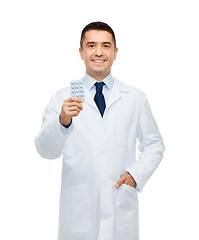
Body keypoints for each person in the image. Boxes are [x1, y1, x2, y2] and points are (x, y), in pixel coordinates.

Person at [34, 21, 165, 240]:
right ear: (81, 52)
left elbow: (154, 144)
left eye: (105, 46)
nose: (98, 52)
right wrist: (63, 120)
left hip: (119, 203)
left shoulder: (135, 98)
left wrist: (136, 174)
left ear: (115, 52)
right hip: (78, 211)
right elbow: (45, 150)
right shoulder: (61, 98)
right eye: (91, 45)